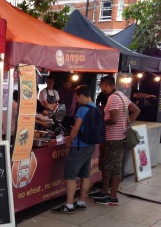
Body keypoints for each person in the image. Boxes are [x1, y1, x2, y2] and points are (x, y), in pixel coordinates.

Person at [89, 75, 140, 205]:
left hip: (114, 139)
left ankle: (112, 196)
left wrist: (101, 121)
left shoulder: (112, 98)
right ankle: (104, 191)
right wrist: (127, 124)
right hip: (113, 137)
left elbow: (114, 119)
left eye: (101, 86)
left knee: (114, 168)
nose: (101, 89)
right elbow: (136, 110)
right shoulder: (121, 95)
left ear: (106, 84)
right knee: (107, 166)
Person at [52, 85, 97, 214]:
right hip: (90, 145)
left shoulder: (83, 109)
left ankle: (69, 205)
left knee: (70, 176)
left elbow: (76, 128)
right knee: (85, 174)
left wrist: (69, 141)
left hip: (79, 146)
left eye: (77, 97)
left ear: (83, 95)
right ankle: (81, 201)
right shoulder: (95, 107)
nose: (76, 100)